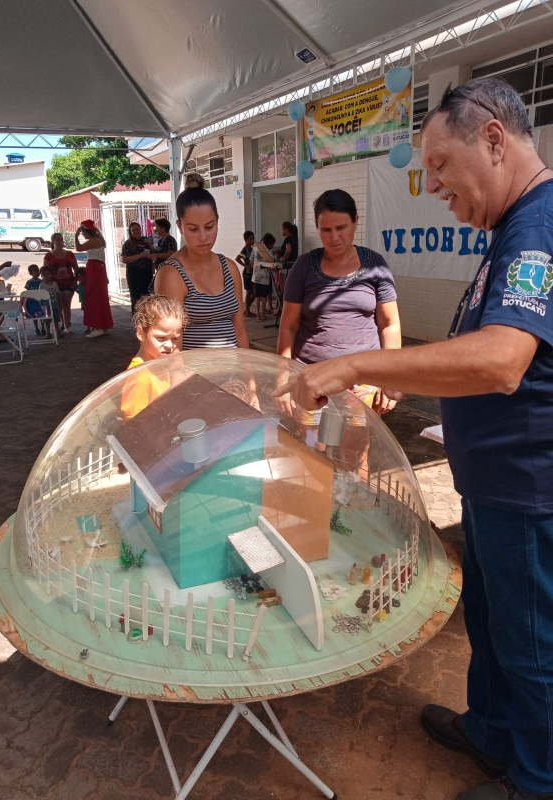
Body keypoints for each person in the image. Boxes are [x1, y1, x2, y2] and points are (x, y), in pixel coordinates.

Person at [274, 78, 553, 800]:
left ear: (493, 139)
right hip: (493, 485)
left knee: (531, 642)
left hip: (528, 488)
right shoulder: (511, 229)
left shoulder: (539, 225)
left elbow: (501, 360)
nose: (431, 186)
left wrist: (355, 365)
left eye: (439, 165)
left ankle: (537, 779)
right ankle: (492, 731)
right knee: (491, 623)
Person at [278, 189, 401, 415]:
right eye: (326, 230)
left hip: (364, 381)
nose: (334, 237)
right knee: (309, 438)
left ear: (355, 222)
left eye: (341, 227)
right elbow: (289, 326)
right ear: (317, 227)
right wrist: (283, 376)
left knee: (358, 438)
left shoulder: (376, 265)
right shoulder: (304, 267)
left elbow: (389, 325)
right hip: (312, 380)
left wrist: (390, 376)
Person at [154, 173, 248, 350]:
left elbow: (240, 331)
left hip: (233, 365)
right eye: (193, 229)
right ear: (180, 227)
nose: (203, 236)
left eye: (209, 227)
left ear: (217, 221)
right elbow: (172, 344)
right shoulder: (171, 274)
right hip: (192, 368)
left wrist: (247, 368)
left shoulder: (230, 268)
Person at [120, 295, 186, 421]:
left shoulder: (160, 362)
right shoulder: (139, 377)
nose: (169, 345)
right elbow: (133, 423)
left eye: (175, 338)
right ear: (140, 333)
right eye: (161, 338)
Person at [74, 220, 113, 339]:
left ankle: (98, 327)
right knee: (100, 297)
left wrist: (76, 236)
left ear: (87, 231)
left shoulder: (94, 240)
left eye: (83, 232)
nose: (82, 234)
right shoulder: (97, 240)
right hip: (96, 269)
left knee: (94, 298)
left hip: (95, 270)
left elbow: (79, 248)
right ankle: (102, 325)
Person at [44, 232, 78, 333]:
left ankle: (67, 326)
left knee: (67, 305)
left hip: (68, 283)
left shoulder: (70, 254)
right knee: (57, 306)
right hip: (54, 285)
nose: (60, 242)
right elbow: (45, 271)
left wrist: (75, 282)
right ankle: (56, 327)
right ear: (53, 242)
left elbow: (76, 269)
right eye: (58, 240)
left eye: (62, 239)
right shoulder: (48, 256)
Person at [121, 221, 155, 313]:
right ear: (130, 232)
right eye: (133, 230)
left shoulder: (146, 240)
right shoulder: (128, 244)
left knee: (147, 297)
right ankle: (137, 318)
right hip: (134, 273)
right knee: (136, 298)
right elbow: (124, 259)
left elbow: (155, 253)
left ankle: (147, 318)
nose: (136, 231)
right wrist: (140, 255)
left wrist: (150, 245)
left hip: (147, 272)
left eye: (137, 229)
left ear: (140, 229)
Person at [251, 233, 276, 322]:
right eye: (272, 244)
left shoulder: (255, 248)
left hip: (256, 275)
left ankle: (258, 315)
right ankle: (263, 314)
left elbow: (251, 260)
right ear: (269, 243)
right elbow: (272, 261)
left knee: (257, 296)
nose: (272, 246)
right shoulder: (267, 251)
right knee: (264, 296)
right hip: (264, 277)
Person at [236, 230, 255, 318]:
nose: (253, 240)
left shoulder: (252, 249)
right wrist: (246, 266)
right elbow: (237, 258)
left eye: (253, 238)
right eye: (251, 239)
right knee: (249, 292)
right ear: (246, 240)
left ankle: (247, 309)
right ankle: (247, 311)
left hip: (252, 273)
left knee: (254, 293)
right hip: (247, 274)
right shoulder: (245, 249)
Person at [24, 263, 47, 336]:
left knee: (42, 315)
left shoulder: (41, 281)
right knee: (35, 316)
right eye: (35, 271)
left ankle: (43, 328)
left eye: (38, 270)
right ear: (30, 273)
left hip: (40, 302)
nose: (37, 272)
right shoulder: (29, 282)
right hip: (32, 302)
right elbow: (27, 292)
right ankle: (36, 328)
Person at [39, 266, 61, 339]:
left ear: (51, 274)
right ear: (41, 276)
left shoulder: (54, 284)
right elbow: (40, 296)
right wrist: (42, 307)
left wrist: (60, 304)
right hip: (46, 307)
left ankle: (58, 332)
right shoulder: (41, 285)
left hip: (54, 306)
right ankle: (48, 333)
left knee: (56, 320)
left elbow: (58, 293)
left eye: (47, 274)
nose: (46, 276)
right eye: (43, 275)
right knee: (47, 321)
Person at [75, 267, 88, 333]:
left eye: (81, 277)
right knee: (86, 314)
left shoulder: (86, 284)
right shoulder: (79, 284)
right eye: (79, 278)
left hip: (87, 301)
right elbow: (79, 291)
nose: (80, 279)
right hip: (83, 301)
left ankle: (92, 327)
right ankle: (88, 327)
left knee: (89, 314)